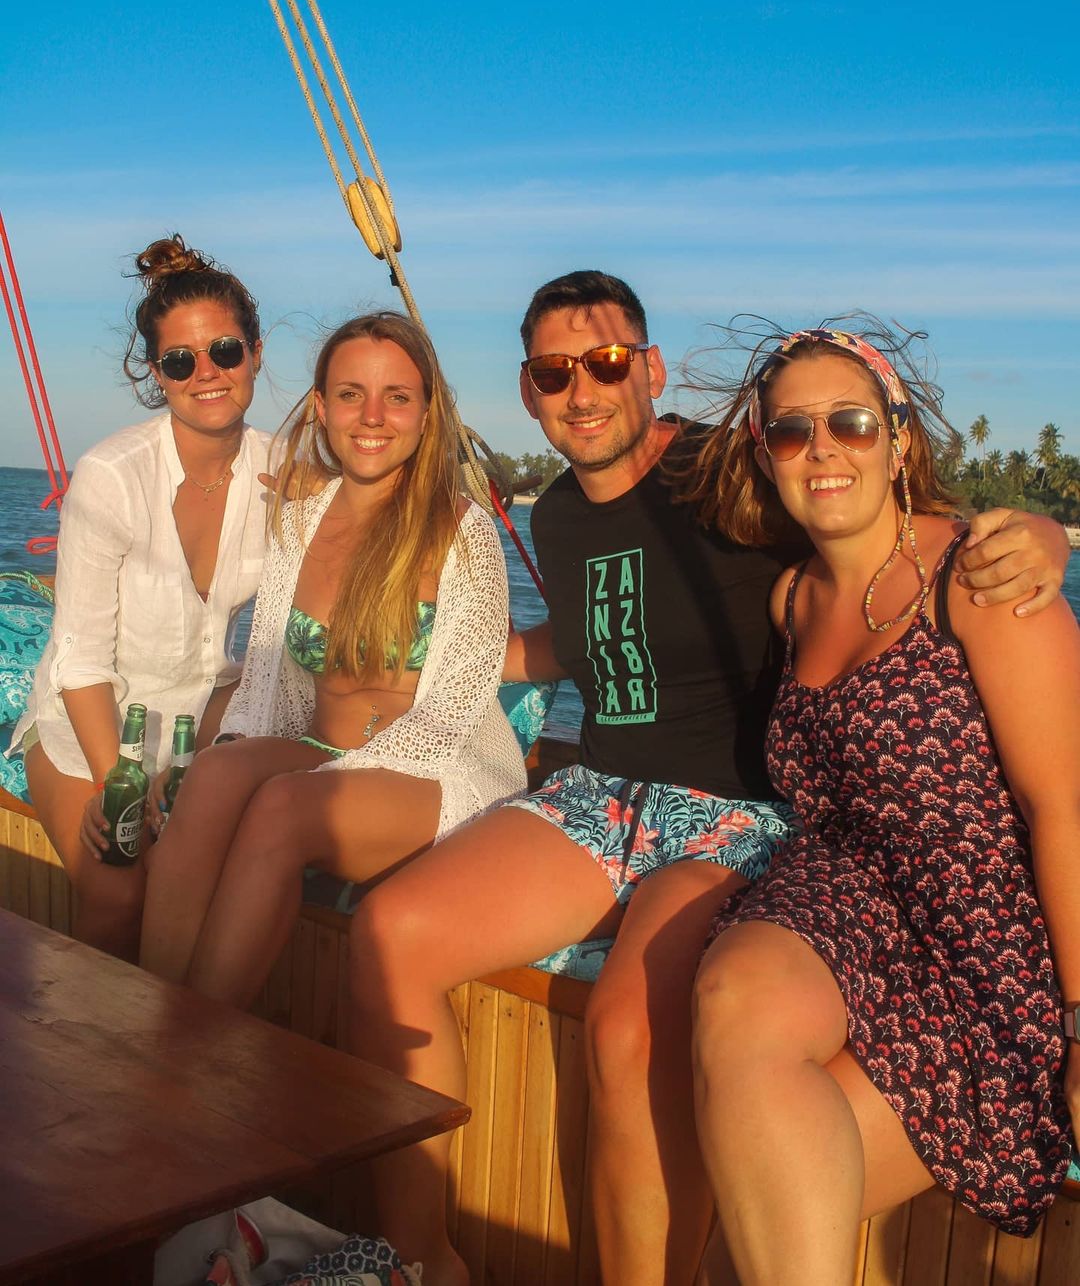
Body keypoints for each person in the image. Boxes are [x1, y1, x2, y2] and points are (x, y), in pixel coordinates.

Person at [342, 272, 1071, 1286]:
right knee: (390, 932)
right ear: (526, 390)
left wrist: (1034, 536)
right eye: (554, 373)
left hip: (744, 818)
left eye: (602, 364)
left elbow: (888, 528)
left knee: (632, 1026)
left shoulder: (729, 471)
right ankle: (417, 1258)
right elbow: (602, 633)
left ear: (649, 370)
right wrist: (453, 660)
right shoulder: (564, 519)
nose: (581, 391)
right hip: (612, 795)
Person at [690, 324, 1080, 1285]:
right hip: (844, 907)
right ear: (761, 450)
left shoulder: (981, 580)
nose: (822, 449)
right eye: (791, 432)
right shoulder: (790, 598)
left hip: (987, 949)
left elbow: (1065, 804)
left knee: (751, 1248)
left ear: (899, 439)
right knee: (729, 995)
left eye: (851, 423)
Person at [138, 312, 525, 1005]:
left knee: (283, 807)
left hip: (440, 774)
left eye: (397, 397)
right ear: (321, 407)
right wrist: (227, 752)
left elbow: (453, 712)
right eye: (350, 394)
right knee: (218, 775)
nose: (372, 416)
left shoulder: (464, 534)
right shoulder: (300, 518)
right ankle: (155, 1015)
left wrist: (318, 774)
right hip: (320, 750)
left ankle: (191, 1054)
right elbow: (268, 683)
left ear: (426, 411)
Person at [11, 235, 272, 960]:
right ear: (156, 373)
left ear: (255, 350)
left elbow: (271, 647)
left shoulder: (283, 476)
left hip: (198, 741)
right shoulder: (112, 477)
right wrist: (116, 785)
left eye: (225, 351)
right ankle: (93, 1064)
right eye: (180, 361)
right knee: (120, 887)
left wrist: (199, 768)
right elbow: (81, 660)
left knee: (196, 886)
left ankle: (173, 1055)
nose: (207, 374)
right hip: (84, 735)